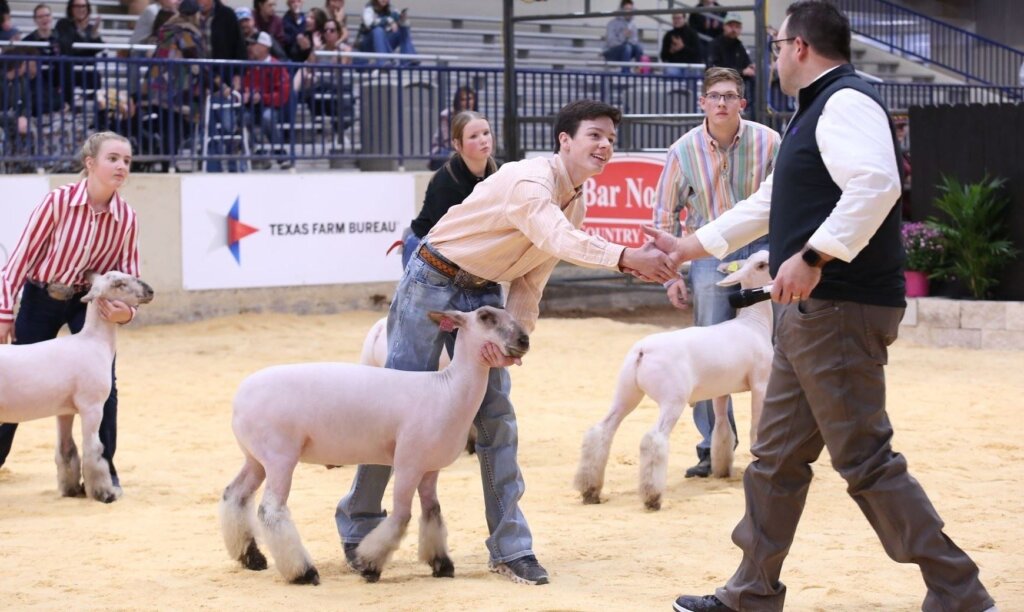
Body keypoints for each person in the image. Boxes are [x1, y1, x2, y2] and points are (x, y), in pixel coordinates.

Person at [645, 3, 998, 611]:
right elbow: (769, 202)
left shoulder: (845, 102)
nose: (771, 56)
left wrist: (814, 256)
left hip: (837, 306)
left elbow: (877, 185)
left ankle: (960, 594)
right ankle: (751, 591)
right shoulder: (818, 110)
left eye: (778, 44)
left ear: (801, 47)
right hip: (812, 314)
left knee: (864, 459)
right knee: (776, 458)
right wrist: (688, 246)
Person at [335, 100, 676, 586]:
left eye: (610, 139)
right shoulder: (530, 180)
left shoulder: (574, 199)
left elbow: (532, 282)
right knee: (395, 410)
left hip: (484, 297)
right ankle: (359, 522)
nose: (605, 146)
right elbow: (557, 238)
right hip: (431, 279)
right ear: (565, 141)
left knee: (496, 417)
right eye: (595, 136)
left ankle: (510, 547)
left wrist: (513, 342)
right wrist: (624, 257)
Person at [652, 66, 780, 479]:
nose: (722, 103)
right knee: (708, 352)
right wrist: (673, 276)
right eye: (715, 96)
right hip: (707, 254)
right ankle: (711, 446)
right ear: (701, 103)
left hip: (763, 251)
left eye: (730, 96)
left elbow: (790, 196)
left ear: (742, 102)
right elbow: (664, 215)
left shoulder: (769, 141)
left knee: (777, 347)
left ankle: (776, 442)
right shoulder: (682, 151)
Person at [0, 131, 140, 495]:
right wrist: (3, 312)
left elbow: (129, 279)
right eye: (113, 158)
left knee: (103, 384)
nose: (121, 166)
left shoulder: (126, 217)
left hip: (90, 306)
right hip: (41, 296)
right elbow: (18, 259)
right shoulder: (57, 203)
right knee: (13, 379)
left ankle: (104, 471)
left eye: (126, 160)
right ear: (90, 163)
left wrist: (124, 313)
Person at [403, 110, 498, 267]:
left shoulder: (501, 172)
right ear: (457, 144)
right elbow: (445, 238)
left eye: (486, 133)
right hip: (426, 249)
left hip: (468, 249)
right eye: (473, 136)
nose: (483, 140)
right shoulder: (445, 183)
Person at [242, 31, 292, 169]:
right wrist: (244, 95)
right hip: (251, 106)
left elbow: (283, 95)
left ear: (264, 46)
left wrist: (262, 97)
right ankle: (258, 151)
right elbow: (243, 87)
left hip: (272, 106)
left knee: (267, 117)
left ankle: (280, 153)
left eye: (253, 44)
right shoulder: (248, 65)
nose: (249, 47)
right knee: (243, 117)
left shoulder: (277, 66)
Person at [55, 0, 104, 106]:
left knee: (96, 76)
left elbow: (98, 48)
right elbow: (67, 44)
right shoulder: (63, 24)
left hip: (87, 71)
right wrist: (81, 32)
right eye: (77, 6)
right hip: (68, 70)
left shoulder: (91, 28)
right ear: (71, 9)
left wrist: (94, 34)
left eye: (83, 6)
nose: (81, 9)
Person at [707, 13, 755, 103]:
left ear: (740, 29)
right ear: (724, 27)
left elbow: (747, 63)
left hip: (736, 92)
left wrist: (751, 67)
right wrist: (742, 72)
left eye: (737, 26)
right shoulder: (714, 44)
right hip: (718, 91)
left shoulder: (739, 46)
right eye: (731, 26)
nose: (733, 29)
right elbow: (714, 68)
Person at [428, 85, 475, 171]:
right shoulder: (446, 115)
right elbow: (447, 142)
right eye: (463, 100)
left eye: (470, 99)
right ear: (457, 102)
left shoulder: (478, 117)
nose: (467, 102)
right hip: (444, 152)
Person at [357, 0, 416, 64]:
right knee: (378, 30)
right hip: (367, 45)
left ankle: (407, 59)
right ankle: (382, 63)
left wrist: (403, 20)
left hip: (383, 43)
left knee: (403, 29)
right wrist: (388, 20)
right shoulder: (369, 7)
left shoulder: (391, 8)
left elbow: (403, 22)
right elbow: (370, 23)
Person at [602, 0, 642, 70]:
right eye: (627, 9)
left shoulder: (633, 25)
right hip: (611, 52)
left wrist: (629, 39)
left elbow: (635, 41)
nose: (629, 12)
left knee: (639, 48)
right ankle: (625, 73)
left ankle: (638, 70)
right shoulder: (612, 23)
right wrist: (623, 36)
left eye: (631, 9)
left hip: (626, 51)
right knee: (627, 48)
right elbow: (611, 42)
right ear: (621, 10)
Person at [660, 11, 702, 76]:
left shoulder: (692, 34)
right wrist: (671, 51)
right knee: (669, 72)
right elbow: (663, 56)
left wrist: (683, 47)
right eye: (674, 18)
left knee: (693, 73)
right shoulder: (668, 35)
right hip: (674, 66)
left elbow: (698, 54)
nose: (676, 20)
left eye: (679, 18)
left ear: (684, 19)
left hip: (689, 66)